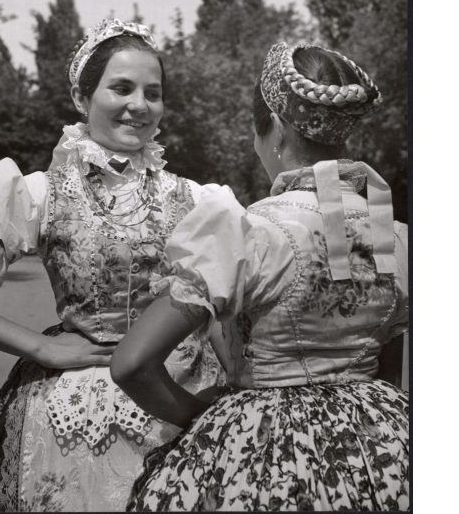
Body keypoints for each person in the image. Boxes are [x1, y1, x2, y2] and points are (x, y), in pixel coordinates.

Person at [112, 41, 409, 511]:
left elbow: (131, 363)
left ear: (271, 129)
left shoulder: (246, 231)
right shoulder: (394, 235)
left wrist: (197, 415)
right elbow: (390, 362)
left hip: (264, 448)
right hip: (383, 446)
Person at [0, 18, 223, 512]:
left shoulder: (196, 199)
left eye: (153, 92)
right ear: (83, 100)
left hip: (182, 402)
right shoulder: (39, 192)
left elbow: (221, 313)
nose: (139, 105)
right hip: (72, 416)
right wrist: (40, 346)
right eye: (122, 88)